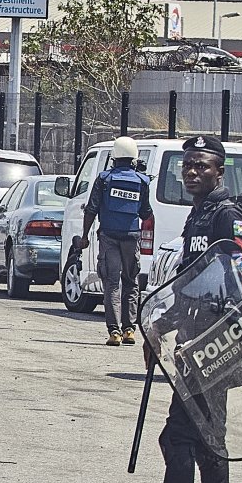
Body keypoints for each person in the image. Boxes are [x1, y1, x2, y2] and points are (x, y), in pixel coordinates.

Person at [114, 135, 242, 483]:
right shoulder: (200, 215)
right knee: (210, 443)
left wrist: (214, 340)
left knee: (177, 438)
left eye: (202, 166)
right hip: (194, 341)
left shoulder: (227, 216)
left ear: (219, 171)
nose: (192, 172)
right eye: (188, 165)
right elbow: (190, 285)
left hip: (213, 347)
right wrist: (160, 326)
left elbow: (241, 281)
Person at [79, 136, 152, 346]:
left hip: (108, 236)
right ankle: (130, 330)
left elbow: (91, 209)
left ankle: (114, 332)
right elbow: (146, 212)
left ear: (114, 157)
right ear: (134, 158)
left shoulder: (104, 179)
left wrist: (84, 236)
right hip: (131, 237)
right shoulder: (142, 181)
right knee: (131, 281)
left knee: (111, 283)